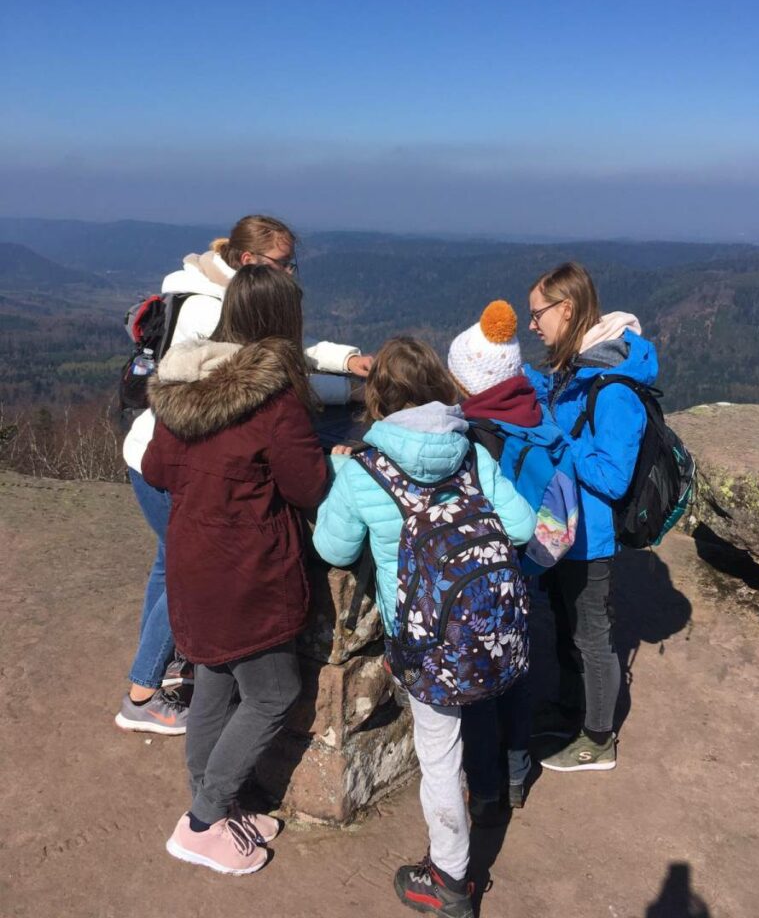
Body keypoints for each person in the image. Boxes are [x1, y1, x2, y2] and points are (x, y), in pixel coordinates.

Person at [116, 214, 372, 735]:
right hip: (165, 455)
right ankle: (142, 693)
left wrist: (345, 364)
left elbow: (284, 357)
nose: (292, 272)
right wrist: (345, 395)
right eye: (284, 263)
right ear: (250, 259)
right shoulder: (210, 309)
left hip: (159, 451)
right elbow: (263, 379)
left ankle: (164, 669)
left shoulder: (230, 295)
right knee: (185, 569)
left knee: (170, 564)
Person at [313, 336, 536, 918]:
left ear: (379, 398)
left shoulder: (365, 471)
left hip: (422, 641)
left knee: (438, 756)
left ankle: (450, 879)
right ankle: (490, 798)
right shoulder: (471, 454)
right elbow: (520, 527)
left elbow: (333, 549)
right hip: (484, 631)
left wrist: (340, 474)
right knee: (475, 712)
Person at [142, 265, 328, 875]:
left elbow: (158, 468)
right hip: (247, 573)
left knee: (216, 686)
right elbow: (307, 487)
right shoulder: (274, 399)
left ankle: (216, 807)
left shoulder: (186, 385)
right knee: (274, 693)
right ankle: (202, 823)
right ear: (284, 322)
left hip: (192, 563)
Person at [448, 299, 578, 823]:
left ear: (469, 381)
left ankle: (485, 792)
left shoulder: (476, 434)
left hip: (485, 576)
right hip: (525, 571)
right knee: (518, 673)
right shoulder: (530, 412)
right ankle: (519, 774)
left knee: (481, 686)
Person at [525, 261, 658, 772]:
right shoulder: (577, 368)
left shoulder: (614, 388)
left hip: (592, 536)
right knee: (565, 626)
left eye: (537, 314)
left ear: (566, 309)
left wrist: (558, 442)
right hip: (565, 529)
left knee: (592, 638)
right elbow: (561, 407)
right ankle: (569, 708)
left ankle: (598, 739)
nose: (532, 324)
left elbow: (612, 476)